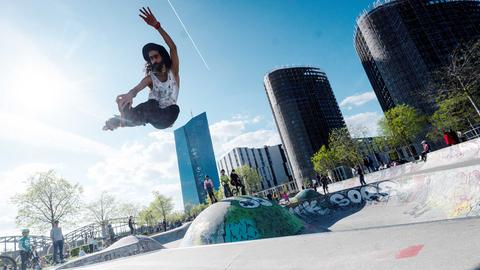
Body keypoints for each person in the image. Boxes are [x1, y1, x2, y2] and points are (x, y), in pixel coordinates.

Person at [103, 7, 180, 131]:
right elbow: (138, 88)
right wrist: (129, 95)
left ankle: (127, 119)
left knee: (171, 109)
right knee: (148, 106)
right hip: (152, 114)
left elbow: (173, 48)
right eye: (151, 59)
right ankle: (121, 119)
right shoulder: (150, 79)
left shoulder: (173, 72)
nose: (154, 60)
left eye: (156, 56)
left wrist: (157, 25)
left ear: (163, 56)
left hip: (168, 115)